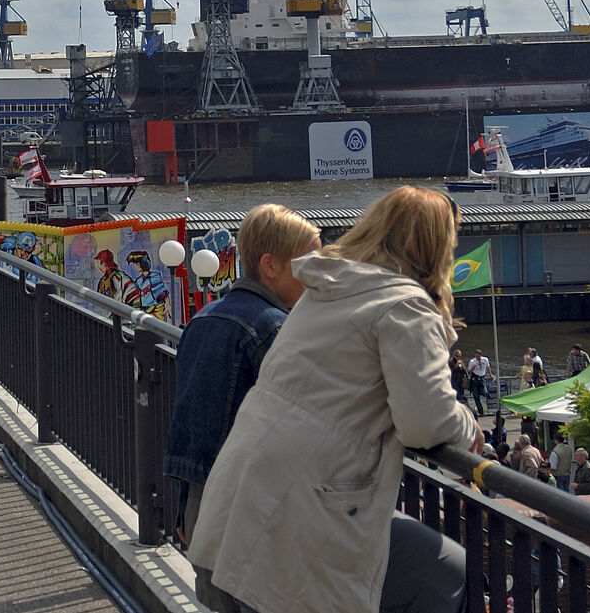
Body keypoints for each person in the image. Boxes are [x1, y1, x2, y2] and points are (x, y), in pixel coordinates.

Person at [189, 185, 481, 613]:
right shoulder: (405, 306)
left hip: (245, 493)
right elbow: (425, 420)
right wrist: (469, 428)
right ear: (436, 248)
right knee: (448, 574)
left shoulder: (328, 287)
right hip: (306, 512)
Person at [163, 205, 319, 610]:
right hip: (251, 513)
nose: (319, 274)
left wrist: (183, 508)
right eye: (310, 261)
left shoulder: (203, 319)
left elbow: (189, 423)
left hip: (203, 505)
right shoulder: (275, 329)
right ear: (271, 265)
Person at [466, 347, 492, 413]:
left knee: (485, 392)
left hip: (482, 378)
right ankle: (481, 411)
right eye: (476, 356)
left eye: (479, 356)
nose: (477, 357)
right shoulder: (472, 361)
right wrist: (472, 368)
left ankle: (486, 394)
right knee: (476, 396)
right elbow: (468, 372)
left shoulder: (485, 359)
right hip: (475, 379)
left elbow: (488, 367)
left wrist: (490, 375)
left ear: (481, 355)